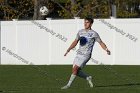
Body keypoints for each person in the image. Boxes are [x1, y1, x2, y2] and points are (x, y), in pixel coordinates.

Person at [61, 17, 111, 89]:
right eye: (84, 22)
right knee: (75, 71)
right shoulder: (80, 32)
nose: (85, 24)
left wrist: (106, 49)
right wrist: (69, 49)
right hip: (79, 53)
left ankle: (68, 85)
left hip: (86, 54)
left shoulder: (94, 33)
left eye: (87, 22)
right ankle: (88, 77)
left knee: (75, 69)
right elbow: (75, 41)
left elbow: (101, 42)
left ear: (91, 24)